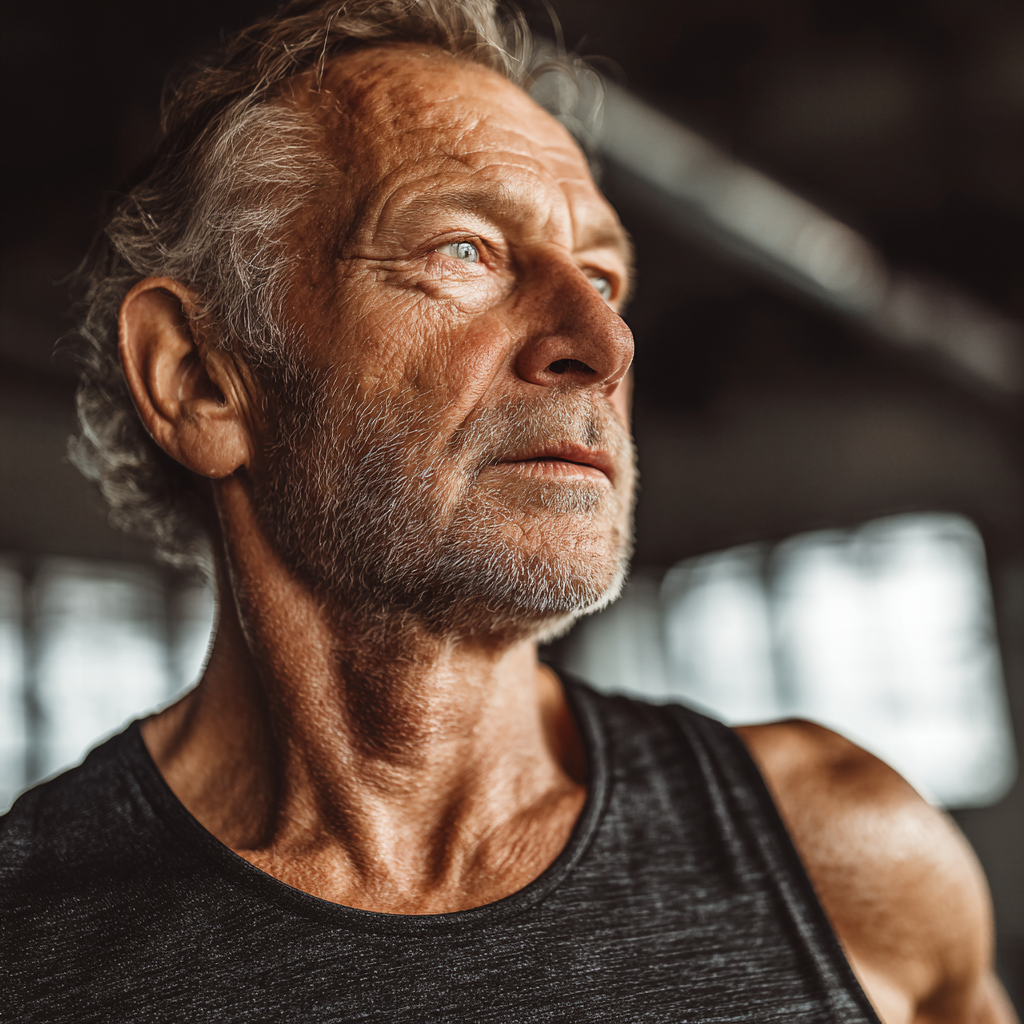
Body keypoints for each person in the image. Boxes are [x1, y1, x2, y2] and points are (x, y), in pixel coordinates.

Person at [1, 1, 1015, 1021]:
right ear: (202, 381)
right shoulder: (29, 953)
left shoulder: (843, 854)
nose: (602, 344)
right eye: (462, 251)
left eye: (604, 276)